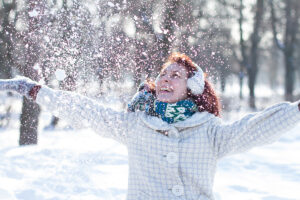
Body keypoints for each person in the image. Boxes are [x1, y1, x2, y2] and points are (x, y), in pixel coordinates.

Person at [0, 52, 299, 200]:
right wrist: (36, 90)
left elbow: (257, 127)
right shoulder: (135, 125)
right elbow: (86, 111)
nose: (166, 79)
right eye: (163, 74)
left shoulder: (211, 132)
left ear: (192, 89)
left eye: (176, 75)